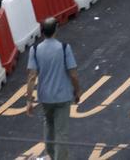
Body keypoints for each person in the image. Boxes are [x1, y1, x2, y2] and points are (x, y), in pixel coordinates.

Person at [25, 17, 81, 160]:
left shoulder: (35, 50)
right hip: (63, 96)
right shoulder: (64, 48)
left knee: (49, 127)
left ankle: (51, 154)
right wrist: (77, 91)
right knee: (61, 132)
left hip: (45, 97)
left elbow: (32, 77)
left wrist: (29, 100)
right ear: (56, 29)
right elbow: (73, 74)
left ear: (42, 31)